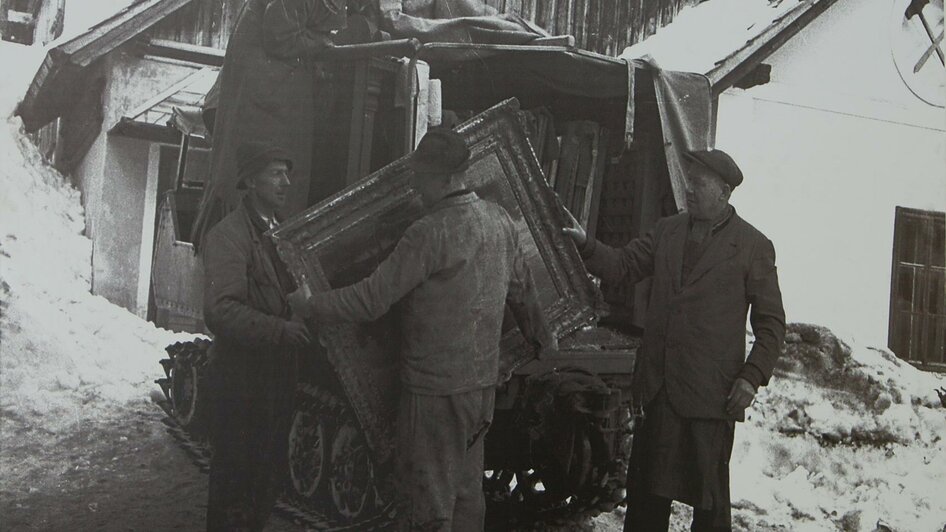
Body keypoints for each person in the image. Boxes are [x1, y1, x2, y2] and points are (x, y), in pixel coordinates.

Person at [288, 128, 556, 531]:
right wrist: (543, 341)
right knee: (467, 496)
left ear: (447, 178)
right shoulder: (499, 221)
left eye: (421, 178)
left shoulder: (430, 232)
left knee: (426, 505)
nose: (416, 187)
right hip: (479, 388)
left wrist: (312, 305)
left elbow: (371, 299)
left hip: (433, 393)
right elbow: (523, 291)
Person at [562, 148, 785, 532]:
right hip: (658, 392)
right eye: (689, 181)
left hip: (709, 398)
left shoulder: (752, 246)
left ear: (724, 191)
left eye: (698, 184)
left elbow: (772, 324)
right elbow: (623, 265)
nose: (689, 190)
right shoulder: (667, 231)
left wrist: (751, 378)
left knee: (709, 509)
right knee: (646, 504)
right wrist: (585, 243)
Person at [202, 141, 312, 531]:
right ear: (250, 181)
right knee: (235, 482)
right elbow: (221, 309)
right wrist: (281, 329)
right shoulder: (228, 236)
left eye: (288, 172)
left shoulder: (280, 229)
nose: (286, 181)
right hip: (240, 379)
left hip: (273, 377)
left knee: (265, 479)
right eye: (276, 173)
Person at [191, 0, 347, 249]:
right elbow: (280, 35)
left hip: (268, 83)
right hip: (266, 88)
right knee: (260, 174)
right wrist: (320, 44)